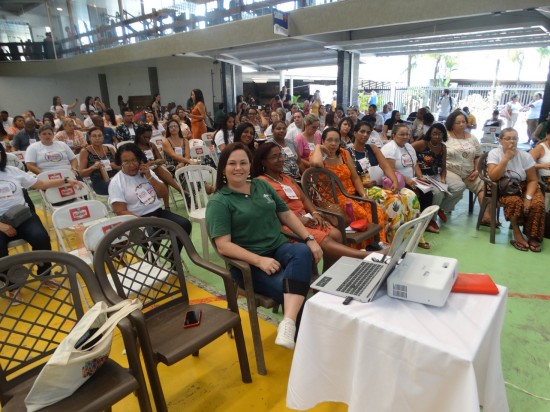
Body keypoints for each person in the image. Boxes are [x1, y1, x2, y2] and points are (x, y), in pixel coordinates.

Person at [206, 142, 322, 349]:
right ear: (223, 168)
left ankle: (288, 324)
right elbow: (223, 246)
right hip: (248, 265)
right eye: (232, 163)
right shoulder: (219, 202)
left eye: (243, 162)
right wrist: (259, 260)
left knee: (302, 251)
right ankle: (311, 346)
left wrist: (309, 238)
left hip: (279, 249)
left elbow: (286, 214)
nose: (238, 168)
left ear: (251, 164)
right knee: (296, 291)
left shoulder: (262, 186)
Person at [253, 142, 369, 270]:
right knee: (325, 240)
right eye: (274, 157)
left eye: (280, 155)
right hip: (288, 225)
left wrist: (315, 213)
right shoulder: (261, 182)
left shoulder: (286, 178)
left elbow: (304, 198)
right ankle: (362, 256)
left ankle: (326, 275)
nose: (280, 159)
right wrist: (300, 220)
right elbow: (270, 212)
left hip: (308, 218)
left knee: (336, 234)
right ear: (263, 162)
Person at [0, 143, 82, 299]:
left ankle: (45, 276)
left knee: (41, 237)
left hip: (22, 216)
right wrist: (2, 226)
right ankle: (11, 286)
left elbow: (41, 184)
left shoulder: (13, 172)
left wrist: (66, 180)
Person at [310, 127, 388, 246]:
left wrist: (363, 194)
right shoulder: (316, 155)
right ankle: (362, 248)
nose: (333, 143)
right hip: (332, 198)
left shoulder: (344, 153)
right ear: (323, 141)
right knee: (361, 213)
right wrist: (317, 147)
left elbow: (355, 177)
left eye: (336, 140)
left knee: (376, 211)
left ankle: (378, 244)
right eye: (329, 140)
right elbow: (316, 164)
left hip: (351, 195)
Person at [348, 122, 419, 241]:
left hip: (381, 183)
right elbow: (351, 177)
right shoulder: (347, 152)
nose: (365, 135)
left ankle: (411, 236)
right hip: (363, 187)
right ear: (355, 133)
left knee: (410, 196)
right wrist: (363, 184)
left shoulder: (372, 148)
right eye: (362, 131)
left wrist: (395, 181)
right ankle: (394, 238)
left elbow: (386, 166)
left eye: (368, 132)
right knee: (394, 200)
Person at [109, 143, 191, 235]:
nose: (131, 165)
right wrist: (146, 220)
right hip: (136, 219)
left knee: (184, 225)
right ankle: (158, 249)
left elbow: (163, 194)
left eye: (134, 160)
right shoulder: (116, 182)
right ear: (120, 163)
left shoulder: (147, 172)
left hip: (157, 212)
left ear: (140, 160)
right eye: (126, 162)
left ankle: (172, 250)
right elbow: (120, 211)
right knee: (151, 235)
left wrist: (149, 177)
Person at [487, 128, 545, 252]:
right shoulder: (494, 153)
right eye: (508, 138)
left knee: (537, 203)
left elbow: (532, 180)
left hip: (525, 185)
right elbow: (493, 176)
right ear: (501, 140)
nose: (512, 142)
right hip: (506, 187)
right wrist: (506, 158)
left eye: (515, 138)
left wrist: (528, 198)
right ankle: (516, 232)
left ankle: (533, 236)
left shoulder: (525, 156)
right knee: (514, 202)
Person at [381, 123, 433, 244]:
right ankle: (409, 228)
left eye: (407, 134)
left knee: (429, 193)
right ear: (394, 135)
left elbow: (415, 164)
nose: (405, 137)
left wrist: (420, 177)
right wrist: (406, 179)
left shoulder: (409, 147)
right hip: (397, 181)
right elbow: (390, 169)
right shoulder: (389, 148)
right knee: (414, 193)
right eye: (401, 134)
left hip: (412, 179)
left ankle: (422, 224)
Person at [412, 123, 465, 230]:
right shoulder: (423, 143)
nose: (437, 136)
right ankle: (430, 220)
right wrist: (417, 170)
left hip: (436, 175)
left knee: (460, 186)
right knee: (438, 193)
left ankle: (440, 207)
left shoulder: (442, 147)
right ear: (430, 134)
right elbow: (408, 149)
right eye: (434, 133)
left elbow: (443, 166)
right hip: (422, 176)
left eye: (440, 134)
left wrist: (443, 178)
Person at [445, 110, 491, 225]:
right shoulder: (445, 136)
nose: (461, 124)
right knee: (457, 187)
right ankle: (444, 208)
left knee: (484, 185)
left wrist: (477, 170)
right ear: (451, 123)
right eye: (458, 122)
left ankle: (486, 216)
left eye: (463, 122)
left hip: (470, 172)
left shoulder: (472, 138)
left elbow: (478, 156)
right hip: (450, 170)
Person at [134, 124, 183, 210]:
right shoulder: (134, 148)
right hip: (143, 172)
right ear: (139, 135)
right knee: (159, 171)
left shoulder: (152, 145)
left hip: (156, 169)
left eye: (149, 137)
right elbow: (140, 165)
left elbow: (162, 160)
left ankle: (168, 207)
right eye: (145, 137)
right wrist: (153, 163)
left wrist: (152, 162)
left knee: (160, 174)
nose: (147, 139)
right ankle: (181, 191)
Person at [78, 127, 119, 195]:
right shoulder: (85, 151)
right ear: (89, 137)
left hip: (115, 177)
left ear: (103, 137)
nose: (97, 138)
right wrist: (93, 167)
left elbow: (121, 166)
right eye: (94, 136)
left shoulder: (110, 149)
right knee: (113, 189)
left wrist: (115, 166)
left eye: (100, 135)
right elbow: (81, 173)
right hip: (99, 180)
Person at [529, 123, 550, 211]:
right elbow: (526, 164)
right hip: (544, 180)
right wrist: (542, 165)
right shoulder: (540, 148)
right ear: (547, 135)